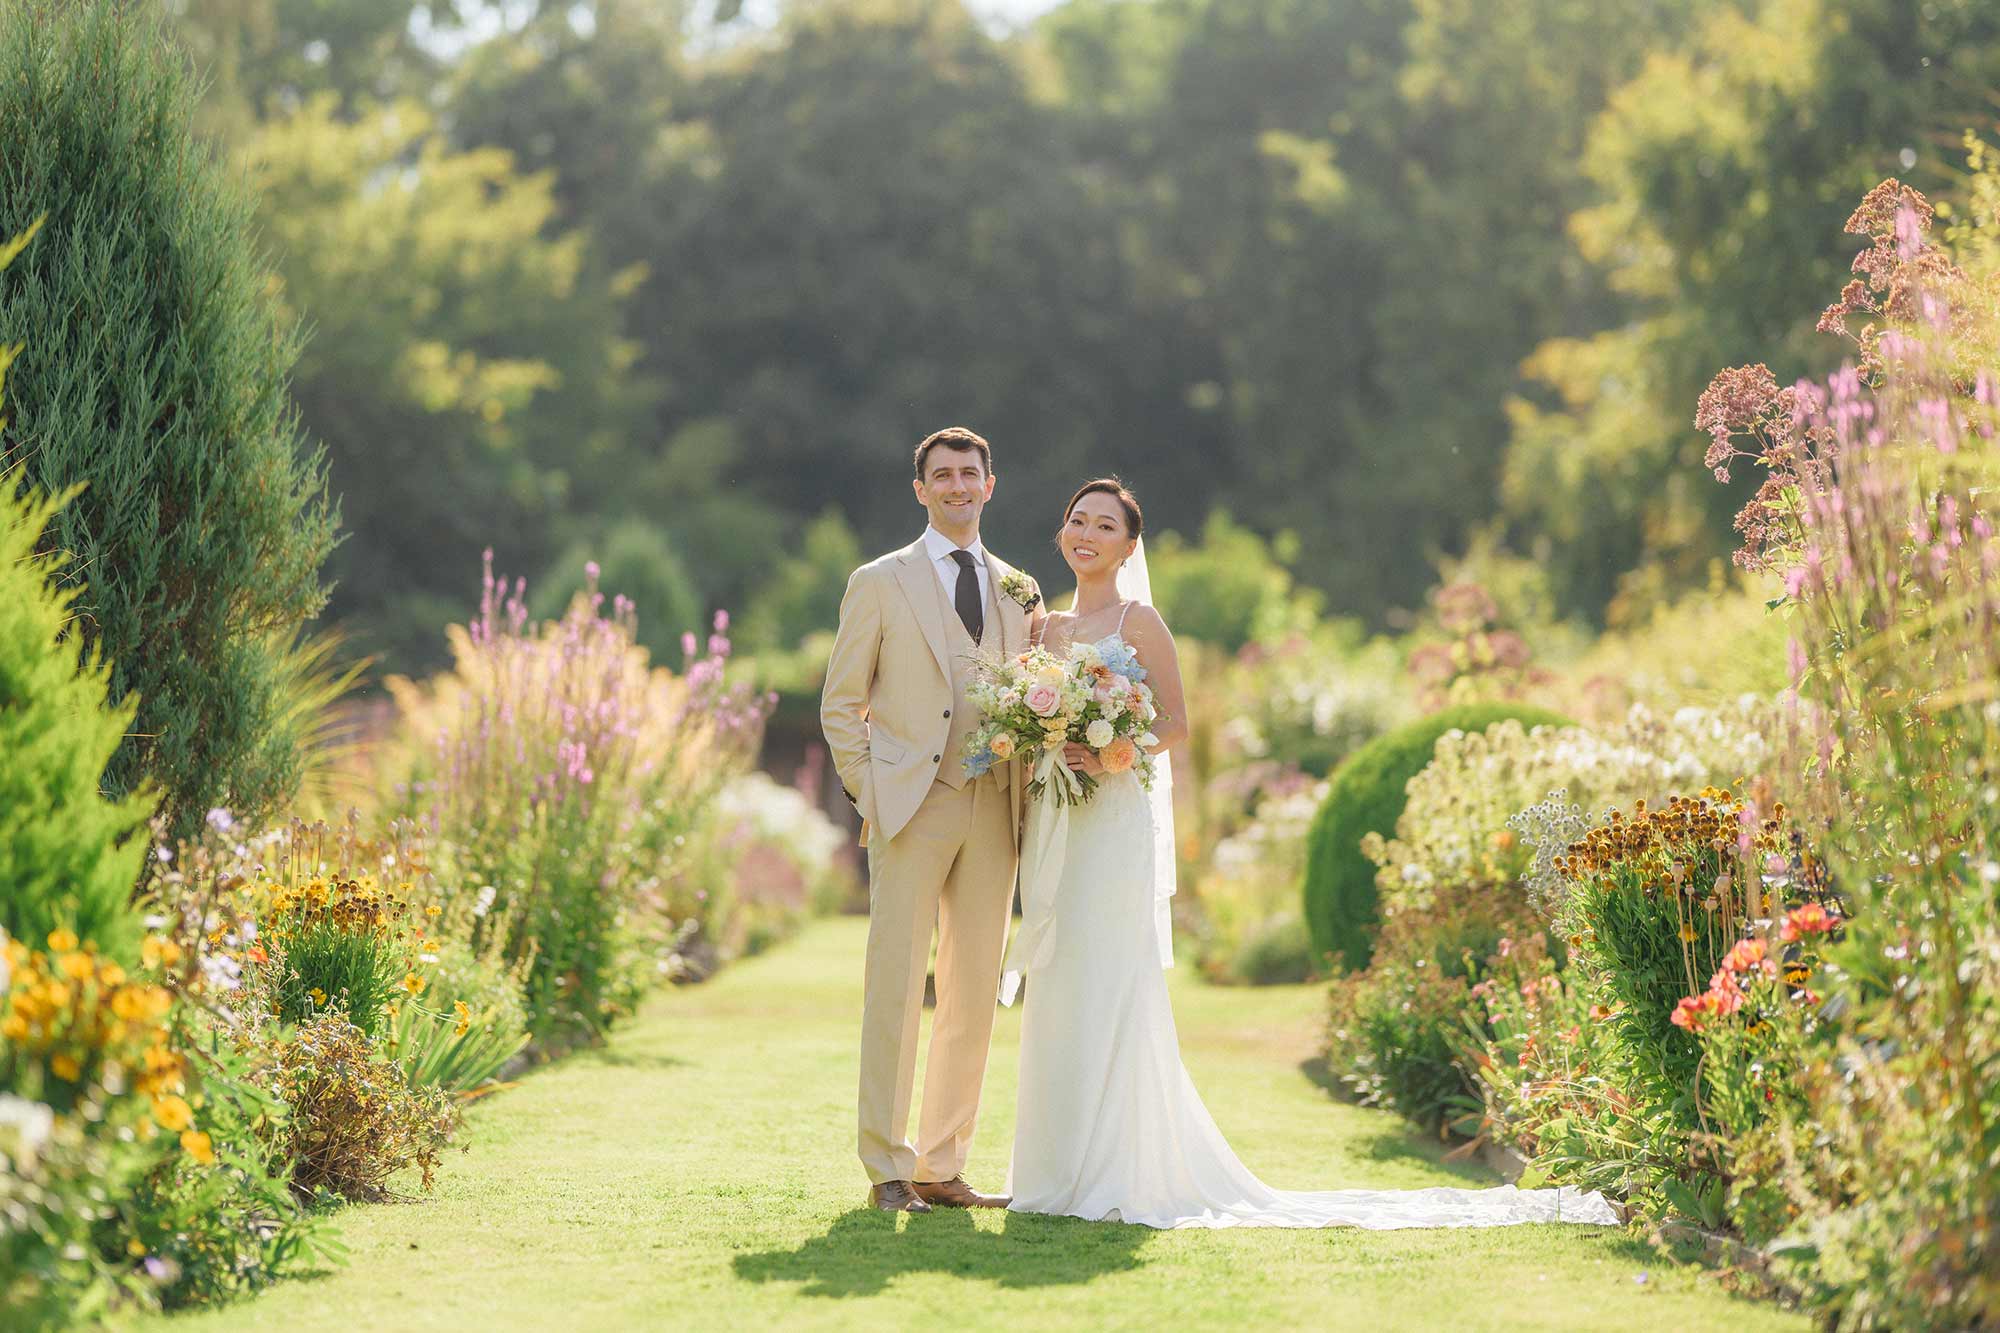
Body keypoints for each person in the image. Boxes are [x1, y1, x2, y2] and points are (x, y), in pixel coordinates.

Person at [1005, 477, 1619, 1231]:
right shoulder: (1045, 631)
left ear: (1130, 546)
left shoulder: (1141, 621)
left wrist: (1113, 747)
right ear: (1063, 532)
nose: (1087, 533)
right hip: (1061, 823)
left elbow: (1176, 722)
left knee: (1108, 976)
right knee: (1060, 976)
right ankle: (1051, 1169)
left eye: (1105, 524)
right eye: (1077, 520)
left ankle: (1113, 1166)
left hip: (1114, 819)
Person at [820, 426, 1044, 1214]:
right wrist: (871, 794)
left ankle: (941, 1164)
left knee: (974, 988)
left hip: (996, 810)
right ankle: (886, 1164)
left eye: (968, 473)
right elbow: (841, 704)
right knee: (894, 985)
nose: (956, 486)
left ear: (991, 484)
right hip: (911, 806)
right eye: (941, 475)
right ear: (921, 490)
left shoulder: (1021, 589)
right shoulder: (880, 581)